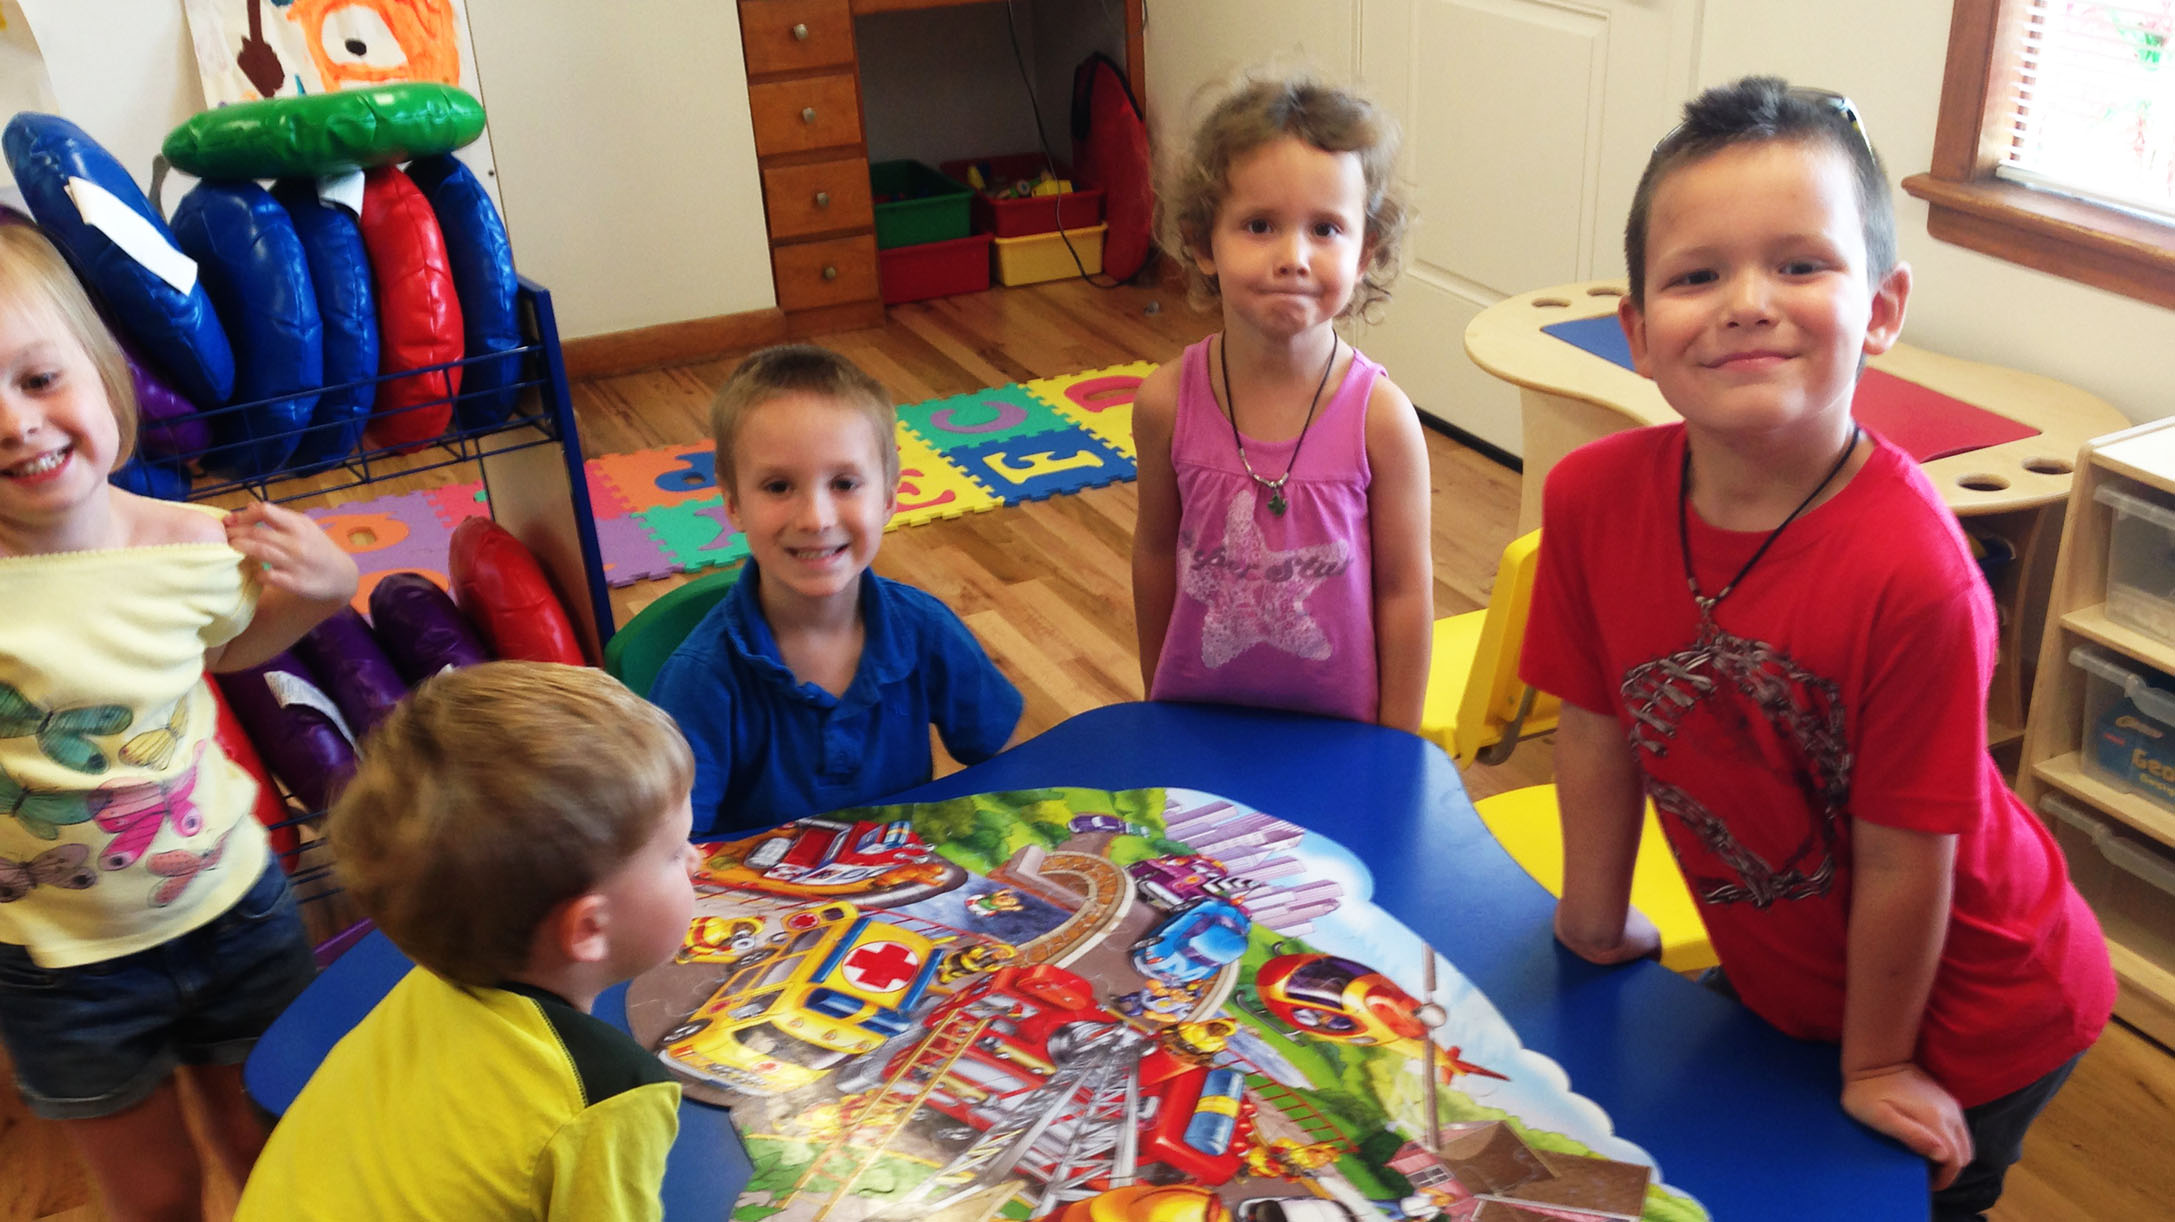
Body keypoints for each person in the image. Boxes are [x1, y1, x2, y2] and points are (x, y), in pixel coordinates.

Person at [1523, 77, 2115, 1221]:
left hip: (1977, 1004)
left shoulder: (1918, 577)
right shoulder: (1592, 498)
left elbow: (1910, 858)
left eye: (1800, 264)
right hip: (1790, 972)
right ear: (1637, 331)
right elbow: (1595, 723)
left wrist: (1876, 1061)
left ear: (1882, 308)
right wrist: (1592, 917)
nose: (1749, 302)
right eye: (1699, 274)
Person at [0, 224, 358, 1219]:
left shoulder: (194, 547)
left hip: (234, 914)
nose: (16, 421)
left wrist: (320, 594)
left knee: (280, 1162)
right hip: (58, 964)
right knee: (152, 1198)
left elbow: (222, 652)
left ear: (102, 374)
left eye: (37, 378)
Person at [237, 662, 698, 1221]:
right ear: (589, 930)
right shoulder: (606, 1093)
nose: (696, 859)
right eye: (675, 853)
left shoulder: (427, 985)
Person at [1132, 73, 1433, 731]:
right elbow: (1154, 553)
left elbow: (1404, 590)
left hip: (1343, 732)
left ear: (1364, 255)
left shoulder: (1381, 420)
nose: (1292, 257)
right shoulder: (1165, 403)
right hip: (1196, 722)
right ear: (1202, 241)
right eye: (1259, 225)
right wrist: (1154, 704)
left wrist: (1401, 744)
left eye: (1325, 228)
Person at [651, 344, 1022, 835]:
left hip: (908, 888)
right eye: (779, 487)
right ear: (734, 503)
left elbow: (1004, 768)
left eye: (845, 483)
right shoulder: (700, 682)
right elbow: (676, 851)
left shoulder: (926, 629)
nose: (816, 519)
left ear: (889, 497)